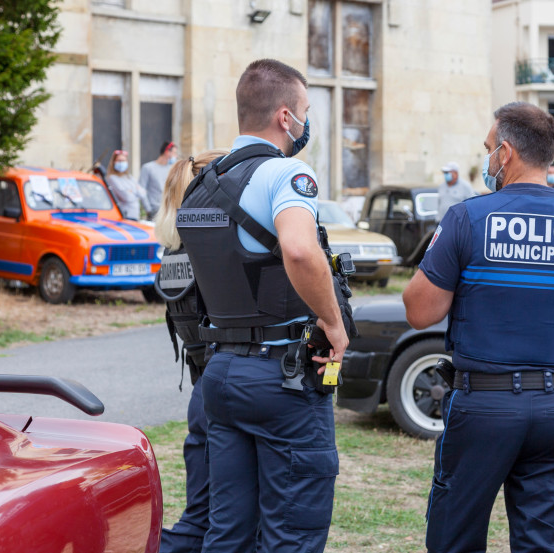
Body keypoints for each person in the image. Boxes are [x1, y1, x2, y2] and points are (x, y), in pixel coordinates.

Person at [403, 101, 554, 553]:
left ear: (507, 154)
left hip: (484, 405)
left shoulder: (467, 217)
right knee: (546, 542)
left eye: (488, 148)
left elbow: (420, 312)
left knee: (455, 533)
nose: (486, 158)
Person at [176, 59, 353, 553]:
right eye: (305, 112)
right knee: (291, 533)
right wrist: (333, 323)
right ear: (284, 117)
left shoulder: (200, 185)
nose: (306, 123)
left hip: (221, 374)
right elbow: (299, 250)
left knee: (227, 530)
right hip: (281, 378)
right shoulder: (286, 172)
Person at [154, 149, 228, 553]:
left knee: (200, 516)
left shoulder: (175, 252)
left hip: (202, 385)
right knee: (217, 523)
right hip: (221, 384)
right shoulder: (210, 252)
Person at [140, 141, 180, 219]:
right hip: (155, 211)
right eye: (174, 153)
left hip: (169, 211)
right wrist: (148, 210)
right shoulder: (148, 168)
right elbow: (141, 190)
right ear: (167, 152)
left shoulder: (171, 169)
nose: (176, 156)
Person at [105, 149, 148, 220]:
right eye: (119, 161)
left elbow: (143, 193)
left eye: (124, 161)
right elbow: (127, 197)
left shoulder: (129, 177)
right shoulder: (112, 178)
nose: (122, 163)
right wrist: (135, 190)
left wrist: (131, 191)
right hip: (124, 215)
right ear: (113, 162)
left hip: (135, 215)